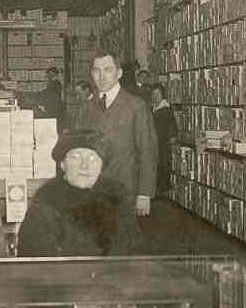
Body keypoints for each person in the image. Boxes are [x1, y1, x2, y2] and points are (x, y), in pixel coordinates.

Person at [16, 128, 134, 257]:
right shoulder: (46, 201)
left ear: (101, 166)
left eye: (92, 158)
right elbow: (36, 261)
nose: (85, 166)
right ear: (62, 164)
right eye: (76, 157)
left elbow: (129, 251)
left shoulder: (117, 199)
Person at [78, 51, 158, 219]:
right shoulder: (86, 107)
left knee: (122, 241)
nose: (102, 76)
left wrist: (144, 193)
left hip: (125, 191)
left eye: (107, 70)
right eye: (97, 70)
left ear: (119, 73)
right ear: (91, 74)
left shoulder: (136, 106)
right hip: (93, 191)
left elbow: (147, 151)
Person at [148, 83, 178, 197]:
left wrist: (172, 136)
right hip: (153, 143)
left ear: (163, 96)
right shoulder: (153, 108)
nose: (155, 96)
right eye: (153, 94)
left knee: (162, 166)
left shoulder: (166, 109)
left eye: (157, 94)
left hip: (162, 142)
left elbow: (172, 124)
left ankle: (161, 191)